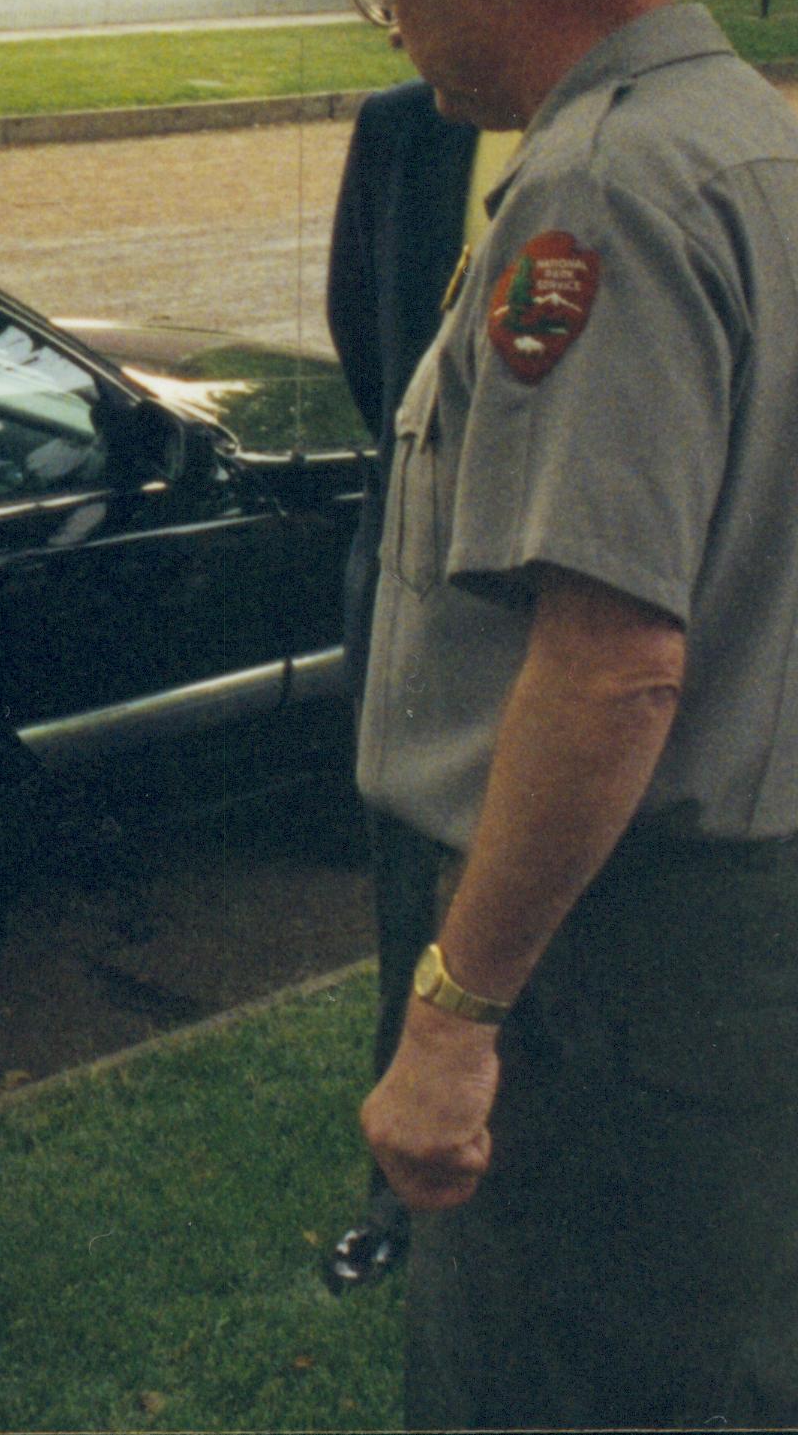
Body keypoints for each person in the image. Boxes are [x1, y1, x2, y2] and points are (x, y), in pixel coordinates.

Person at [248, 0, 798, 1428]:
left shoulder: (597, 194)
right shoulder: (769, 154)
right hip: (759, 928)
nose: (390, 18)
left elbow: (614, 660)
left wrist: (460, 1007)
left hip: (617, 957)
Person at [316, 77, 507, 1295]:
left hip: (571, 588)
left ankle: (532, 1157)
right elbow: (359, 328)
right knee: (411, 905)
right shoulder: (401, 130)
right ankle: (401, 1194)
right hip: (417, 570)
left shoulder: (627, 143)